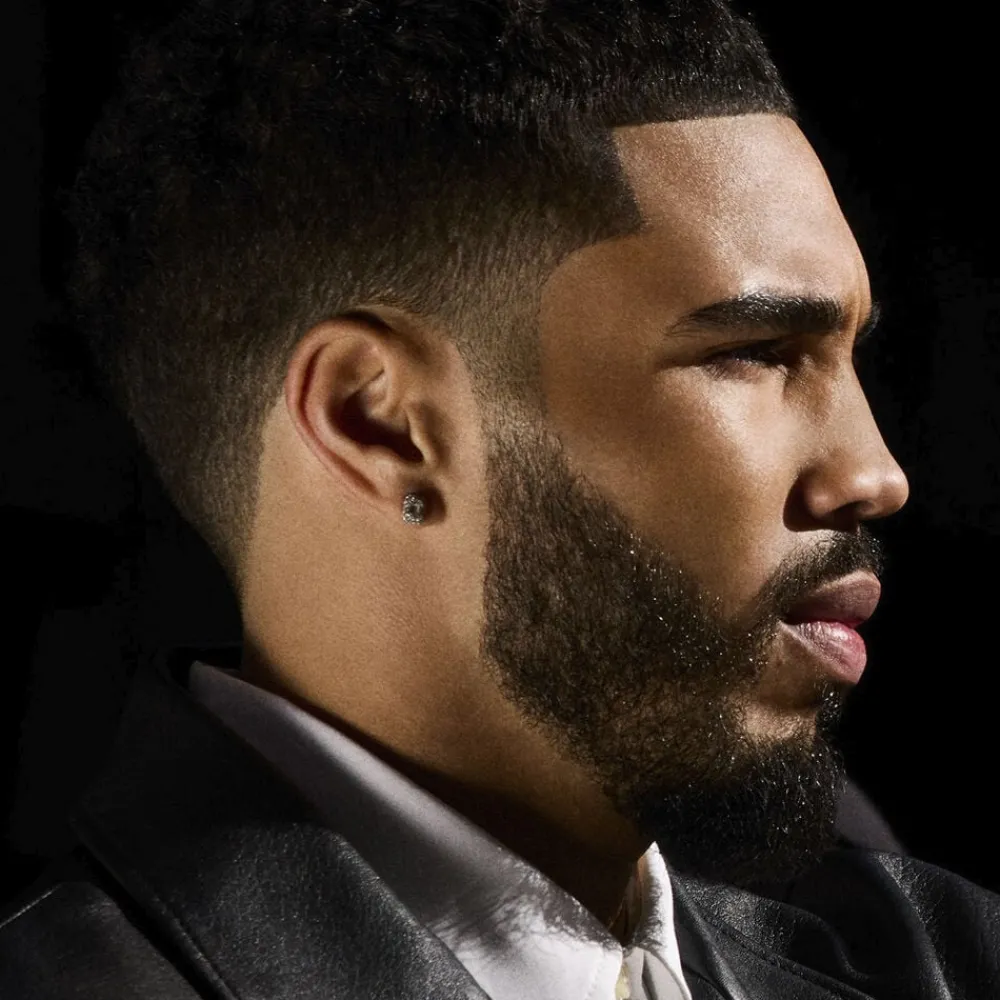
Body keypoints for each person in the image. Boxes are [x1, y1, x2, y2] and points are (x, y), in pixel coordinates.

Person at [1, 0, 997, 997]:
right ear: (378, 422)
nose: (876, 473)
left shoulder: (940, 959)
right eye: (759, 352)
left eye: (850, 356)